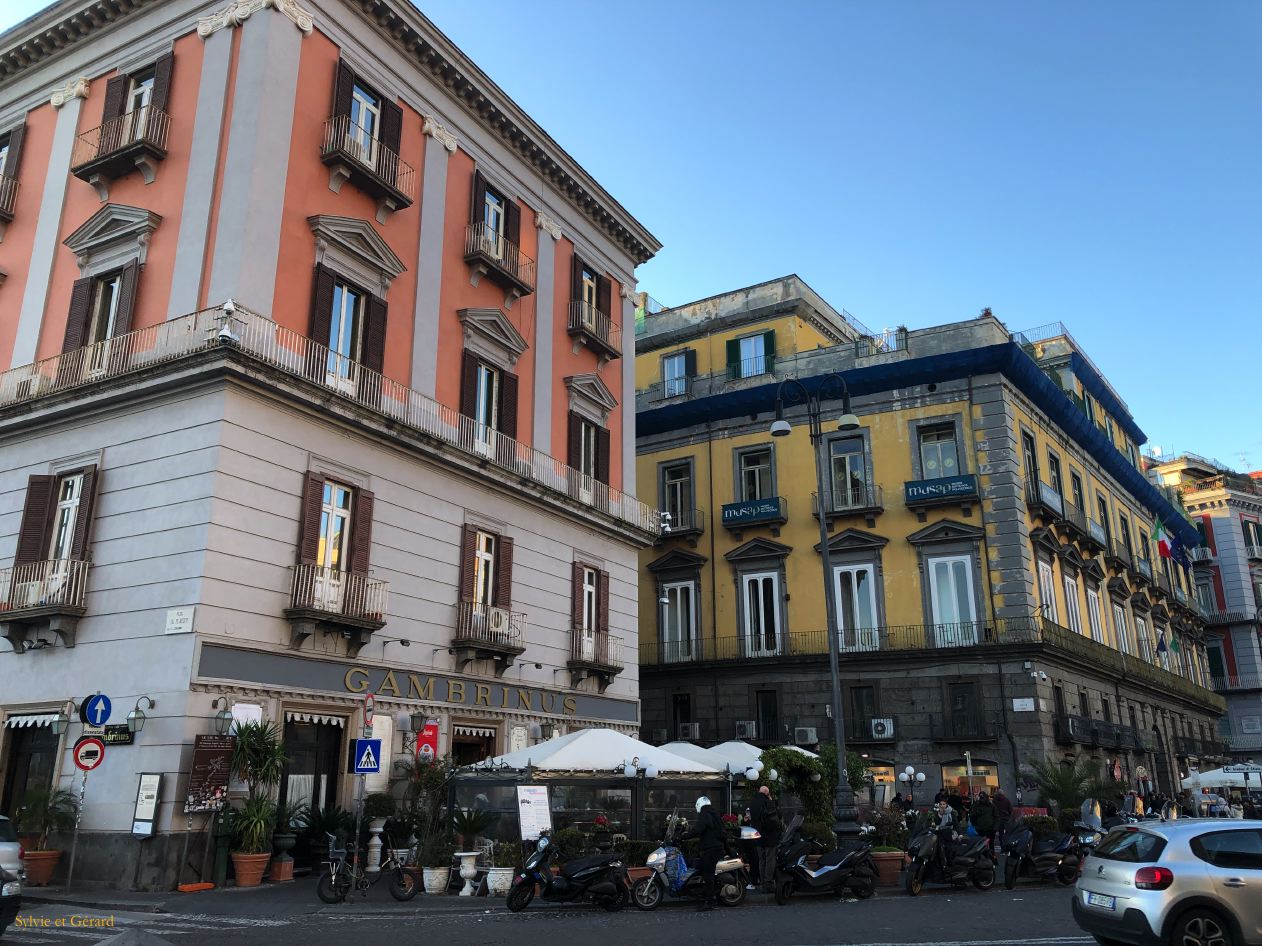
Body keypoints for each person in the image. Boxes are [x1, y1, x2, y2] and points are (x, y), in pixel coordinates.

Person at [683, 795, 724, 911]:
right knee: (699, 865)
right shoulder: (713, 813)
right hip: (715, 848)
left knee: (708, 874)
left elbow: (698, 830)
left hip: (711, 849)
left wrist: (684, 836)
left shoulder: (704, 814)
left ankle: (709, 902)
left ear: (699, 805)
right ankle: (702, 893)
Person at [749, 784, 783, 893]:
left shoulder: (753, 802)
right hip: (769, 836)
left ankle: (762, 881)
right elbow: (778, 816)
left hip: (757, 835)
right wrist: (772, 801)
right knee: (770, 859)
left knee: (761, 860)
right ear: (766, 793)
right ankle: (768, 883)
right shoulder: (768, 802)